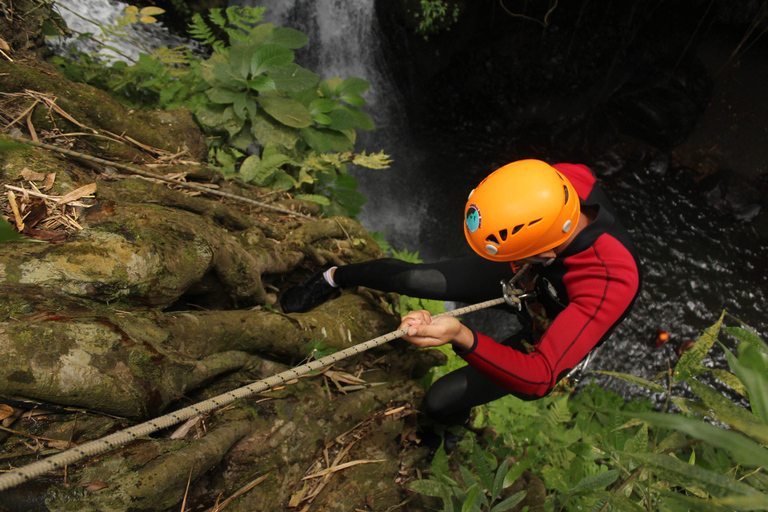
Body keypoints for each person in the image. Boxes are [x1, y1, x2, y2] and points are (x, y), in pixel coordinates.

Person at [281, 159, 642, 436]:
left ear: (545, 252)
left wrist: (461, 335)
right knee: (415, 277)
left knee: (440, 401)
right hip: (529, 276)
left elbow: (541, 375)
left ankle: (452, 428)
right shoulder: (549, 182)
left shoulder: (610, 280)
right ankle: (332, 277)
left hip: (549, 321)